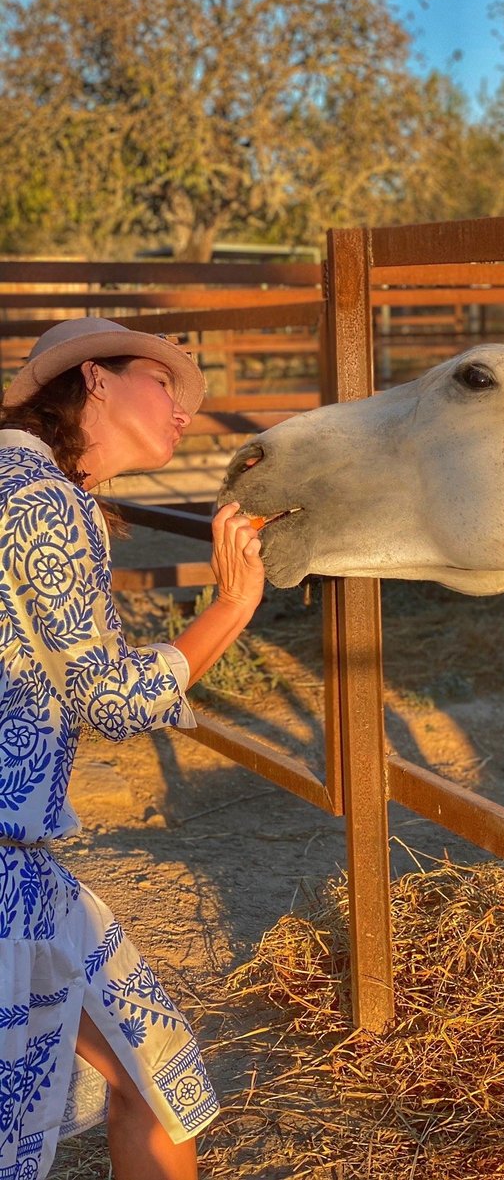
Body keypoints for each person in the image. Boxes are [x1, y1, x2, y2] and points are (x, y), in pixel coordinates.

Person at [0, 317, 265, 1180]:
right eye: (161, 380)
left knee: (158, 1080)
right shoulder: (41, 502)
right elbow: (111, 698)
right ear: (95, 381)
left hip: (27, 874)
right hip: (8, 877)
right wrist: (230, 607)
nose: (184, 406)